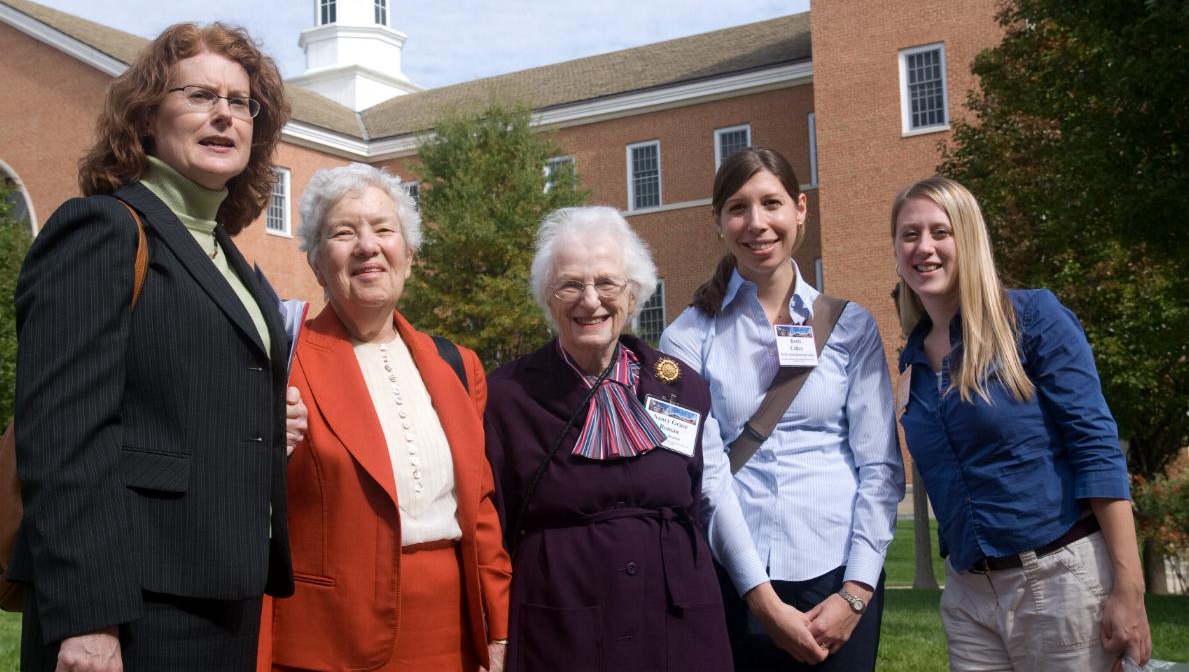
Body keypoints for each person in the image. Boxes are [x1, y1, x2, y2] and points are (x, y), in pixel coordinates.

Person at [13, 22, 305, 671]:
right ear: (146, 115)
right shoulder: (102, 230)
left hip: (225, 592)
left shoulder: (233, 260)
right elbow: (63, 436)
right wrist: (89, 618)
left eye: (240, 102)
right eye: (200, 95)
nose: (224, 115)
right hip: (131, 603)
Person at [891, 176, 1151, 672]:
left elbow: (1096, 447)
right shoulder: (913, 369)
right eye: (909, 235)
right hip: (968, 595)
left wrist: (1129, 587)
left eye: (940, 232)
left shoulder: (1031, 319)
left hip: (1059, 583)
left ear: (968, 238)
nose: (924, 247)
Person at [259, 164, 512, 672]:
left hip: (451, 635)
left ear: (410, 256)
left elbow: (480, 509)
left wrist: (498, 628)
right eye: (343, 232)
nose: (367, 246)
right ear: (315, 261)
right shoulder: (280, 359)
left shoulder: (457, 365)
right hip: (329, 643)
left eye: (383, 229)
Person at [661, 147, 904, 671]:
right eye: (738, 208)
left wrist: (856, 591)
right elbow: (703, 477)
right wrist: (762, 601)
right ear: (718, 223)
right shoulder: (685, 337)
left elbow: (880, 469)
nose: (757, 223)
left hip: (841, 572)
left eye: (771, 203)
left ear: (800, 209)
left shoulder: (851, 327)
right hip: (737, 579)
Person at [484, 206, 733, 672]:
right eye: (571, 284)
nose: (590, 300)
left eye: (607, 283)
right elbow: (490, 532)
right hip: (560, 629)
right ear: (547, 296)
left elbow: (696, 497)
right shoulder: (506, 397)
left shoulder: (681, 386)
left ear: (634, 293)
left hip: (676, 624)